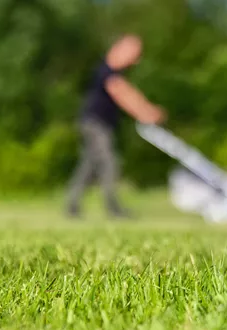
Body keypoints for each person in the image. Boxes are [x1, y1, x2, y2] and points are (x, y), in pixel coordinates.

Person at [66, 34, 165, 219]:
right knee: (109, 162)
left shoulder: (114, 73)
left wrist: (146, 109)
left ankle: (72, 206)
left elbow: (128, 92)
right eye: (134, 54)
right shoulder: (106, 71)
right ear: (120, 49)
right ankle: (113, 208)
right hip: (95, 123)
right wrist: (145, 113)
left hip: (97, 124)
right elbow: (123, 94)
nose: (136, 60)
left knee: (88, 166)